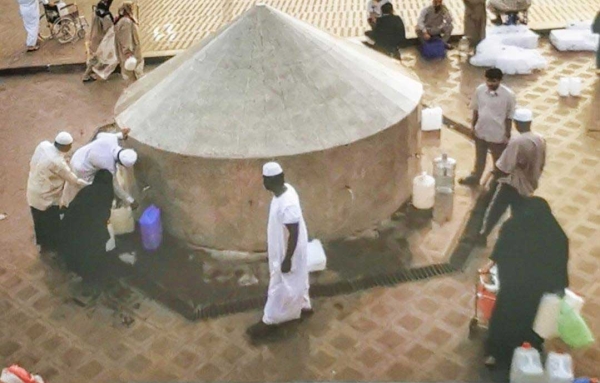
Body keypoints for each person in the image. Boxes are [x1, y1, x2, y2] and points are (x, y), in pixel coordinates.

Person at [480, 197, 569, 367]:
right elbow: (559, 265)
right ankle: (528, 349)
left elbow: (502, 248)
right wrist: (560, 287)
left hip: (512, 284)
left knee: (503, 317)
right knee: (532, 318)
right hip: (538, 289)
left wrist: (491, 263)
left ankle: (494, 354)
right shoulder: (557, 236)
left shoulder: (513, 226)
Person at [247, 162, 312, 339]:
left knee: (279, 284)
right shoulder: (285, 191)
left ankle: (270, 319)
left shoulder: (287, 204)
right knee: (297, 279)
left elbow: (294, 232)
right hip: (285, 247)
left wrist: (287, 259)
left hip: (289, 250)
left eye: (265, 179)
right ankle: (303, 306)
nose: (263, 182)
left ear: (271, 181)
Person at [477, 108, 546, 245]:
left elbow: (504, 166)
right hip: (529, 183)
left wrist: (495, 178)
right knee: (519, 213)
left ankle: (483, 235)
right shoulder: (540, 139)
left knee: (496, 209)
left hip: (513, 184)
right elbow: (542, 162)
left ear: (516, 123)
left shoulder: (517, 142)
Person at [26, 132, 90, 253]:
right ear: (66, 147)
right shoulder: (58, 163)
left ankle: (43, 244)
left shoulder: (43, 145)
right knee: (51, 221)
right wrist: (90, 184)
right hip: (46, 197)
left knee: (38, 219)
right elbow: (74, 180)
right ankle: (53, 246)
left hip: (33, 189)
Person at [459, 68, 516, 187]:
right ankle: (475, 177)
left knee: (499, 161)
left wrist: (507, 134)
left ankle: (497, 182)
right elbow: (475, 109)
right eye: (488, 81)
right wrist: (473, 126)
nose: (490, 84)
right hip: (481, 130)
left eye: (494, 81)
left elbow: (509, 116)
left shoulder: (508, 96)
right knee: (480, 158)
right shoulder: (480, 90)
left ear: (500, 80)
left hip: (498, 134)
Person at [60, 170, 114, 285]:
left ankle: (77, 269)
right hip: (89, 229)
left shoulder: (87, 190)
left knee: (77, 248)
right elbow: (103, 214)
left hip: (71, 224)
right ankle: (91, 275)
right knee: (93, 247)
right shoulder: (106, 194)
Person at [62, 128, 138, 208]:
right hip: (82, 169)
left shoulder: (112, 139)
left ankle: (66, 197)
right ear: (121, 163)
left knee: (72, 183)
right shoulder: (108, 165)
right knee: (87, 189)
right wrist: (130, 200)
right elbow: (115, 186)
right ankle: (73, 206)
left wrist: (120, 135)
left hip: (78, 155)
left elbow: (100, 135)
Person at [83, 0, 116, 82]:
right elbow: (108, 30)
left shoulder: (95, 12)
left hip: (94, 37)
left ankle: (92, 73)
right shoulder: (106, 17)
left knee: (95, 57)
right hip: (101, 40)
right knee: (96, 58)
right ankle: (86, 75)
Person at [114, 2, 144, 81]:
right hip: (131, 57)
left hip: (133, 56)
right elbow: (126, 38)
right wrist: (128, 53)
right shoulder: (125, 22)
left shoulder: (126, 20)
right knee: (133, 78)